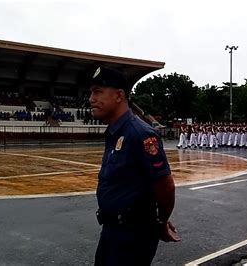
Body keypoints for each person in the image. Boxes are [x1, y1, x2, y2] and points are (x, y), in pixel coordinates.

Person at [89, 66, 180, 265]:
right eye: (91, 92)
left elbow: (166, 186)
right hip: (112, 229)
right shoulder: (115, 131)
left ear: (119, 96)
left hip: (133, 235)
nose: (91, 99)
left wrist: (161, 221)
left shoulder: (140, 134)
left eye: (97, 92)